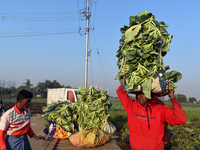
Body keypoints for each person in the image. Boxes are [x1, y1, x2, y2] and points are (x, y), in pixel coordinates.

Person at [116, 84, 187, 150]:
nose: (141, 96)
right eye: (138, 94)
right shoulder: (131, 106)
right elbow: (120, 91)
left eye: (144, 93)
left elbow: (181, 119)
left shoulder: (161, 109)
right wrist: (128, 80)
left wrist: (172, 98)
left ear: (150, 95)